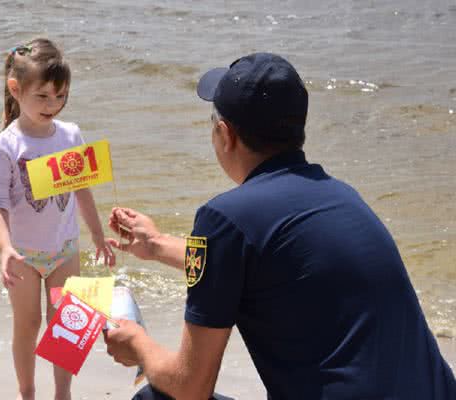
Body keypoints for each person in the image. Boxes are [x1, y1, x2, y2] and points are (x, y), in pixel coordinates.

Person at [103, 53, 456, 399]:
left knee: (155, 397)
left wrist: (138, 345)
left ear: (225, 135)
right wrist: (156, 244)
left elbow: (190, 387)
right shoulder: (341, 196)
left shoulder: (223, 217)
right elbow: (260, 263)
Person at [0, 38, 115, 400]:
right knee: (27, 326)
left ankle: (63, 394)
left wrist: (99, 237)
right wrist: (5, 248)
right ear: (16, 89)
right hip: (23, 256)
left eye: (60, 96)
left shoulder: (71, 135)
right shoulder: (7, 146)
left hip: (65, 249)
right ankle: (26, 392)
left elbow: (83, 191)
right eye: (43, 96)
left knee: (67, 325)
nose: (53, 105)